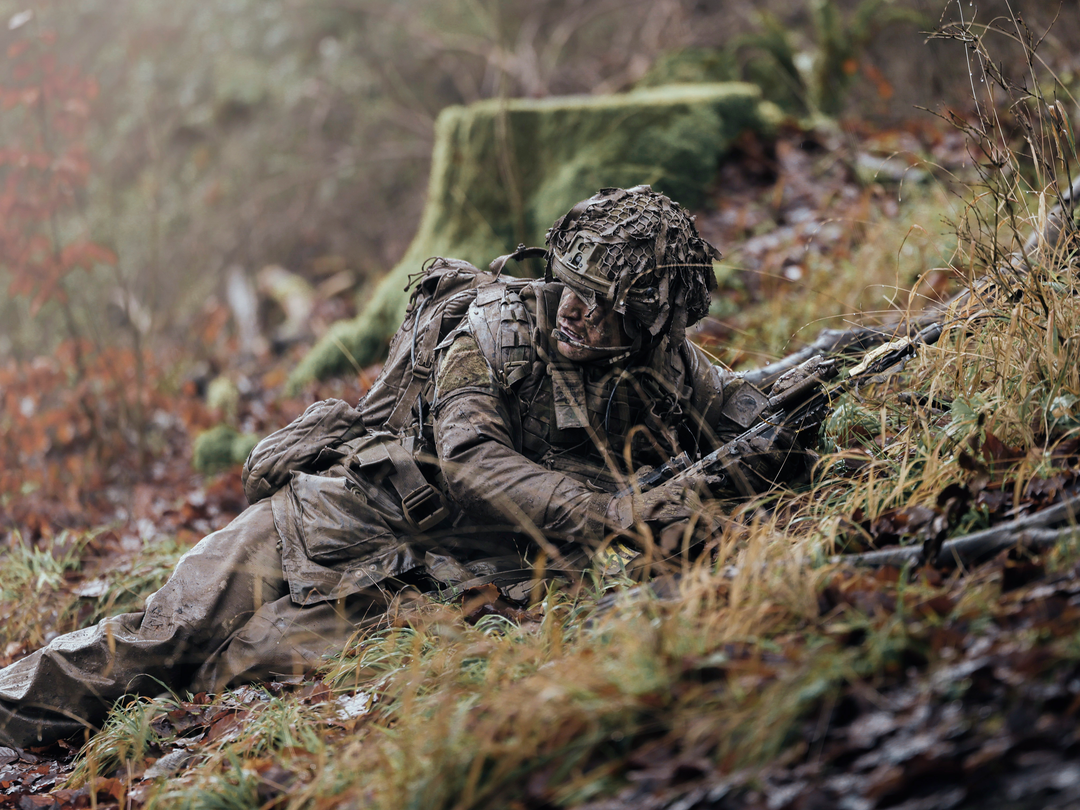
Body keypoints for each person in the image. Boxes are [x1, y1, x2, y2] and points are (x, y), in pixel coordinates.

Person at [0, 186, 825, 749]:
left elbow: (738, 405)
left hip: (432, 577)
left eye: (611, 308)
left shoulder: (668, 372)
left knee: (226, 674)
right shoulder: (497, 329)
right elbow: (470, 455)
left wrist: (835, 362)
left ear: (651, 327)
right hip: (340, 510)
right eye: (575, 287)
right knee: (161, 635)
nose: (580, 313)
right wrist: (611, 515)